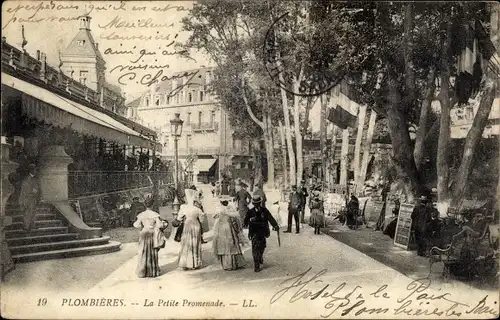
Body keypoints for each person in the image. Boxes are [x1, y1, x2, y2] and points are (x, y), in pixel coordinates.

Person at [133, 196, 168, 278]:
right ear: (152, 205)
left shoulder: (141, 215)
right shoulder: (155, 214)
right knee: (152, 251)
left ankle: (143, 271)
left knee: (143, 251)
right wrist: (163, 224)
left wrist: (142, 227)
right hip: (152, 233)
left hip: (144, 233)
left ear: (145, 205)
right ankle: (152, 271)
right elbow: (159, 225)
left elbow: (136, 225)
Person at [244, 195, 279, 272]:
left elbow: (270, 218)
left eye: (258, 203)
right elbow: (245, 222)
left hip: (263, 232)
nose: (256, 204)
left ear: (260, 203)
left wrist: (275, 225)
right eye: (255, 203)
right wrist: (248, 221)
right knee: (255, 248)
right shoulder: (250, 212)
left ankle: (260, 256)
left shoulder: (264, 210)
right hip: (254, 232)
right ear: (253, 203)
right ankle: (256, 265)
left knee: (262, 246)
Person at [212, 196, 246, 270]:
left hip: (221, 229)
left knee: (224, 245)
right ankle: (233, 264)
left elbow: (214, 217)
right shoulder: (230, 209)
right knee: (232, 244)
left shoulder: (219, 209)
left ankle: (227, 264)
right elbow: (236, 218)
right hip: (230, 228)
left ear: (221, 202)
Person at [175, 189, 204, 270]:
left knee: (186, 243)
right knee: (195, 243)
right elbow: (202, 220)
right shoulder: (197, 208)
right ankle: (194, 263)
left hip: (187, 225)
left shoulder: (183, 207)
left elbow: (179, 217)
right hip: (196, 225)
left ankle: (185, 263)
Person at [19, 164, 40, 231]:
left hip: (34, 198)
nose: (36, 171)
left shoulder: (35, 179)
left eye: (36, 169)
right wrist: (33, 191)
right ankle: (26, 226)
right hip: (28, 198)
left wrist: (38, 195)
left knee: (33, 212)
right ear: (31, 170)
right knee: (28, 212)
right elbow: (24, 189)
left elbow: (38, 188)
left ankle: (32, 225)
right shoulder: (26, 179)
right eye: (35, 169)